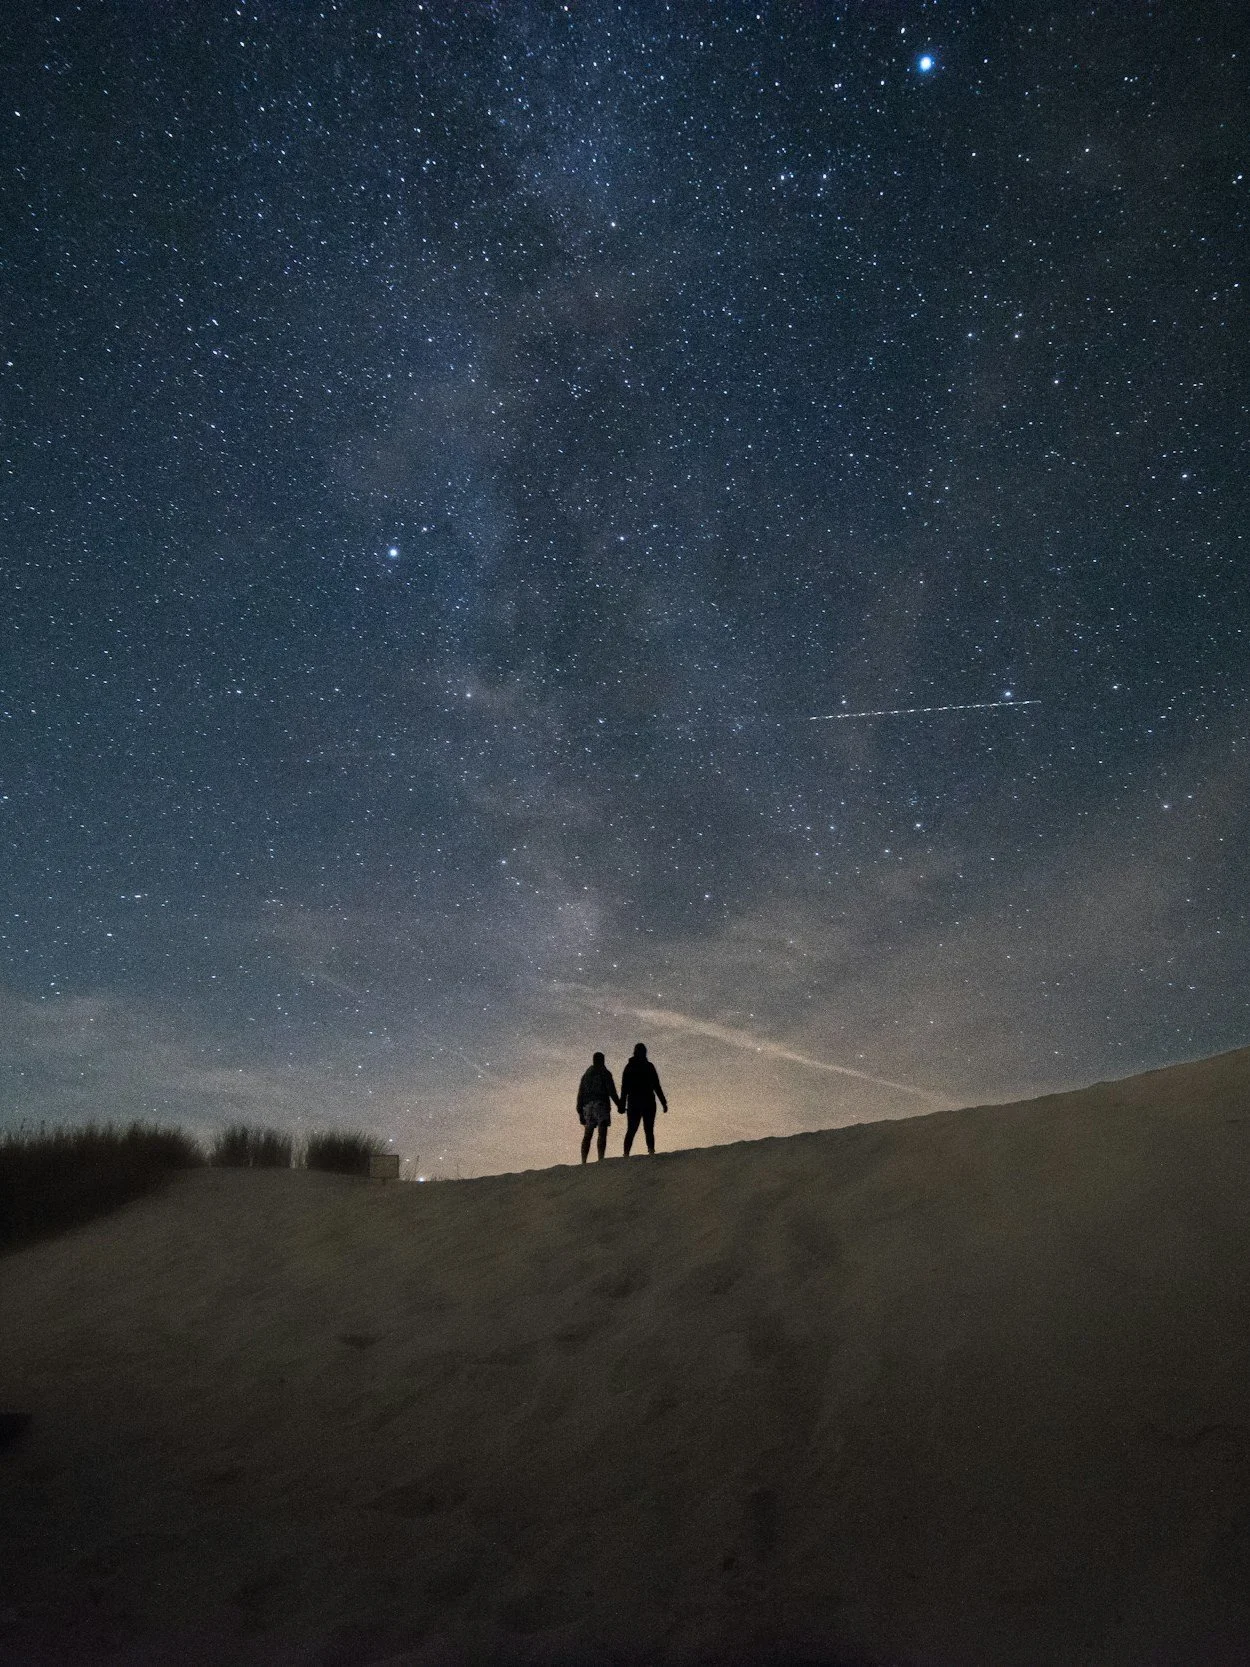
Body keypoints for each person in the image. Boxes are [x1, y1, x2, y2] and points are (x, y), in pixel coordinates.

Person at [620, 1042, 668, 1156]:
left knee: (635, 1129)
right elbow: (657, 1086)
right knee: (645, 1129)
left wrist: (621, 1104)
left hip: (637, 1102)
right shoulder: (647, 1066)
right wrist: (663, 1103)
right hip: (645, 1102)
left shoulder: (630, 1067)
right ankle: (648, 1151)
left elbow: (624, 1088)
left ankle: (628, 1153)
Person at [576, 1050, 620, 1163]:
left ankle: (583, 1161)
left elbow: (580, 1093)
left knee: (588, 1134)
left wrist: (580, 1111)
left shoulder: (586, 1075)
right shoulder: (605, 1073)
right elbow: (611, 1091)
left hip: (587, 1107)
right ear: (602, 1060)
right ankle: (601, 1159)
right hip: (601, 1104)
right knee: (602, 1131)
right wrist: (619, 1105)